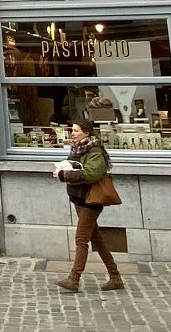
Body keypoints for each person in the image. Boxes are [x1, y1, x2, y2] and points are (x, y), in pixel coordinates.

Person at [51, 118, 123, 294]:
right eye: (72, 130)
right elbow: (75, 168)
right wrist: (62, 170)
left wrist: (65, 175)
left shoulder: (95, 151)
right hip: (79, 198)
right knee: (96, 238)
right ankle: (115, 276)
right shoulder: (76, 148)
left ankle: (74, 279)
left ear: (86, 132)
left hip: (92, 200)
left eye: (76, 130)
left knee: (81, 239)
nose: (73, 133)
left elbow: (91, 174)